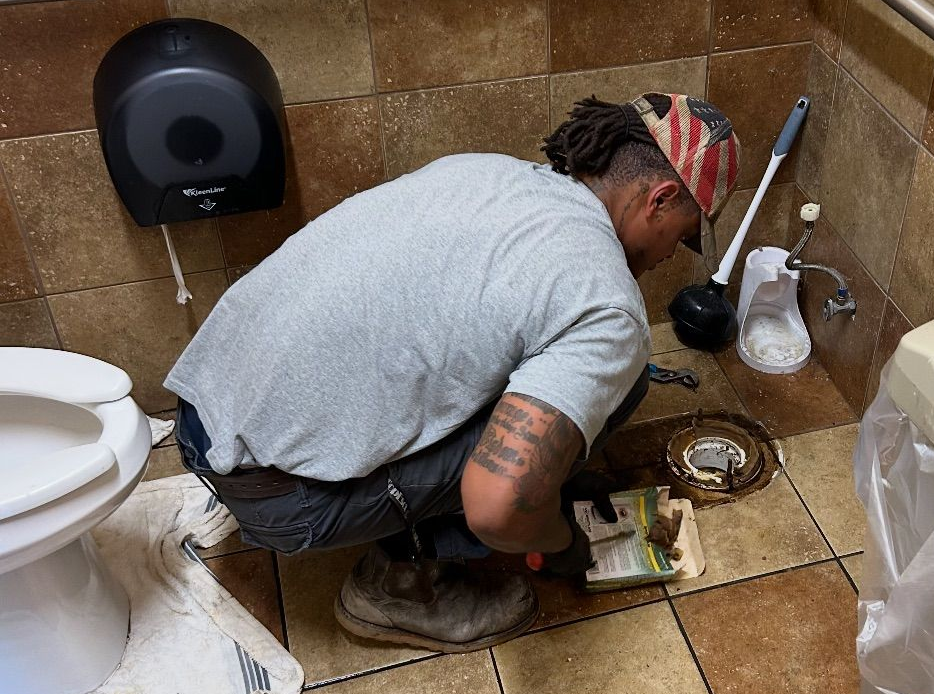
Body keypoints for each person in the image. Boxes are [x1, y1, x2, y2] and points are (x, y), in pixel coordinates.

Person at [168, 92, 741, 652]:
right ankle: (395, 588)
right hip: (276, 496)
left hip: (203, 409)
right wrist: (556, 538)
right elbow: (496, 506)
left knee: (565, 380)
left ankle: (541, 470)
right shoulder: (607, 303)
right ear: (660, 199)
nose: (676, 254)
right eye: (688, 236)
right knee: (617, 385)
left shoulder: (487, 172)